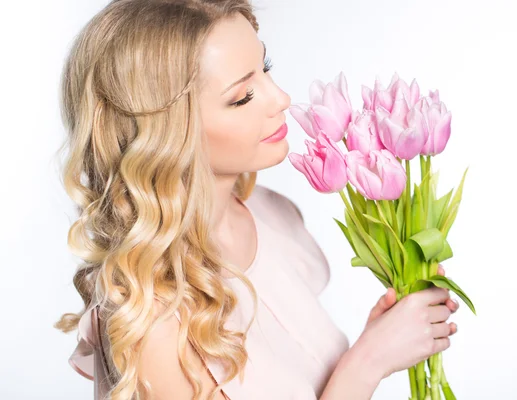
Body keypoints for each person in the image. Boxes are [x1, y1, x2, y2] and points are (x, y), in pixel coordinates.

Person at [53, 1, 459, 399]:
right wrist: (369, 361)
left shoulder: (272, 215)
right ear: (166, 136)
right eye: (243, 96)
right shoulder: (152, 324)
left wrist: (384, 337)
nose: (280, 98)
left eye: (266, 69)